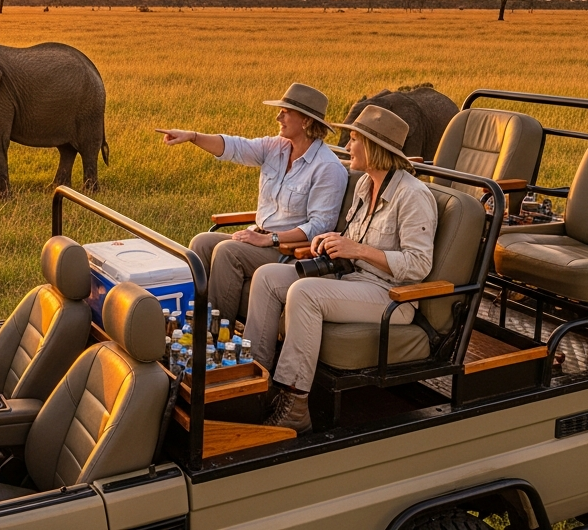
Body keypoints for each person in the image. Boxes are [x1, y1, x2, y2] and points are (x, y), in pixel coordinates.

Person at [247, 104, 438, 433]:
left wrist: (360, 249)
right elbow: (355, 240)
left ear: (374, 147)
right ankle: (254, 382)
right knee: (267, 278)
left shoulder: (413, 196)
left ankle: (294, 405)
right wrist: (334, 241)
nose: (347, 147)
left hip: (391, 295)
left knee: (305, 293)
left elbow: (418, 265)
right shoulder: (366, 184)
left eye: (353, 140)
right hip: (354, 278)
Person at [156, 83, 347, 325]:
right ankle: (191, 321)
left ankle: (213, 336)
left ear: (307, 121)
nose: (279, 116)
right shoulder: (276, 147)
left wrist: (271, 239)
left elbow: (320, 226)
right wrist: (192, 137)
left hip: (289, 252)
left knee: (228, 252)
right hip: (261, 239)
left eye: (286, 112)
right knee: (202, 242)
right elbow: (235, 147)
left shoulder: (328, 168)